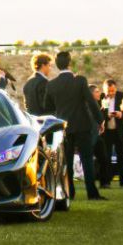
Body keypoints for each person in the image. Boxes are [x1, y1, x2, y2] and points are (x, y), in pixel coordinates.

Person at [45, 49, 102, 201]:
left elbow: (47, 106)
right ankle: (92, 193)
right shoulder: (80, 80)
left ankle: (70, 193)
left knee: (67, 162)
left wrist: (58, 115)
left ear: (57, 65)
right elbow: (91, 102)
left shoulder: (51, 85)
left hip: (63, 127)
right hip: (82, 125)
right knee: (87, 160)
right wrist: (100, 120)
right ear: (70, 63)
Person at [97, 78, 123, 188]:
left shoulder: (122, 96)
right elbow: (97, 114)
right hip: (107, 133)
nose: (111, 93)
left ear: (115, 89)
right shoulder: (100, 97)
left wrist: (121, 114)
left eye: (113, 90)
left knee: (122, 157)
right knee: (106, 158)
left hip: (119, 131)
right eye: (108, 91)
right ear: (104, 89)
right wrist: (106, 116)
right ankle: (106, 182)